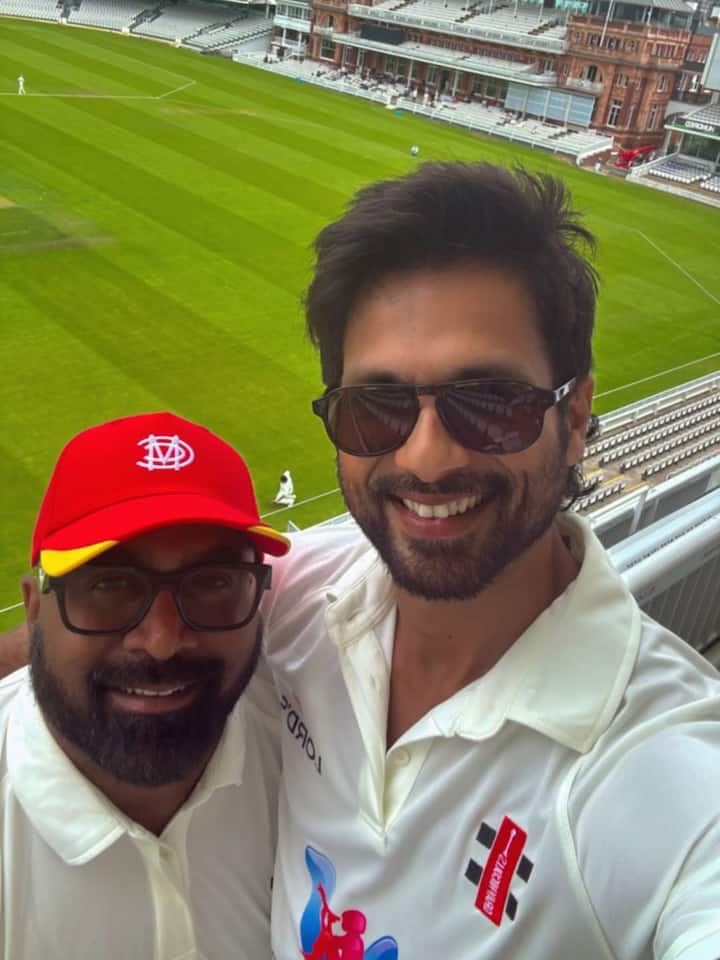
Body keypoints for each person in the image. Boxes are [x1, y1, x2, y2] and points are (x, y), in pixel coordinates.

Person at [263, 163, 720, 959]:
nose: (427, 457)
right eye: (377, 408)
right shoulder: (301, 592)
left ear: (573, 418)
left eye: (490, 404)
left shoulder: (655, 766)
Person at [0, 411, 290, 959]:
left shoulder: (316, 751)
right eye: (108, 583)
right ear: (34, 611)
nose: (161, 640)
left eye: (214, 582)